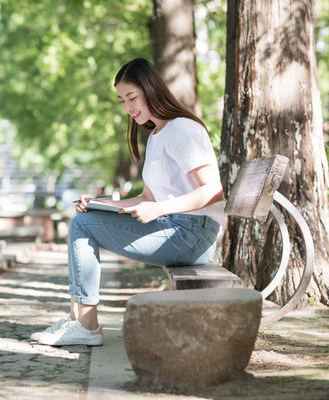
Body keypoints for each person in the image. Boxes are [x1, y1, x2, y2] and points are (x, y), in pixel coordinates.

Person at [31, 58, 225, 346]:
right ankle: (79, 321)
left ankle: (85, 324)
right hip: (176, 228)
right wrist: (100, 205)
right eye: (122, 101)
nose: (128, 107)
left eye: (132, 97)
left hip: (192, 235)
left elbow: (214, 191)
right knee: (83, 220)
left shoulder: (181, 128)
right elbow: (146, 198)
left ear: (151, 89)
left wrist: (160, 208)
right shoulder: (157, 135)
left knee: (82, 226)